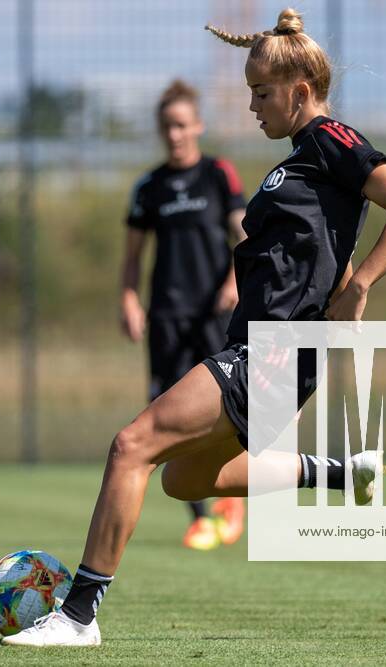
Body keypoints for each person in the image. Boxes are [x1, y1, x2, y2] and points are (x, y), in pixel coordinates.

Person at [3, 7, 386, 647]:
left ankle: (78, 615)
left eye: (261, 93)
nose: (253, 105)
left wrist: (362, 286)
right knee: (185, 479)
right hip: (272, 353)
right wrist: (338, 287)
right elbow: (319, 249)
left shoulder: (330, 140)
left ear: (301, 92)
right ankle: (337, 472)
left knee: (131, 446)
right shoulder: (301, 159)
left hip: (272, 353)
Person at [120, 79, 247, 551]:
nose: (173, 134)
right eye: (166, 127)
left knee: (222, 410)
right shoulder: (149, 187)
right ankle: (202, 516)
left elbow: (244, 234)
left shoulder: (219, 175)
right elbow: (133, 254)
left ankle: (229, 495)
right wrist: (129, 299)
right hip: (167, 318)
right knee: (164, 418)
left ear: (197, 125)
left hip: (214, 314)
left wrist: (235, 282)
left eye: (180, 125)